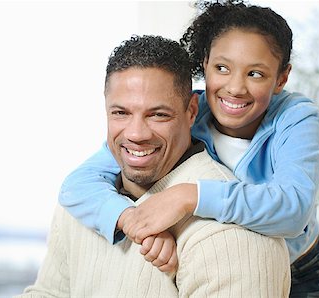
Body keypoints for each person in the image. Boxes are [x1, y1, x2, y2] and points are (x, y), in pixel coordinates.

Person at [58, 1, 319, 297]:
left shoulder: (296, 117)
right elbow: (78, 184)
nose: (236, 87)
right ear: (204, 64)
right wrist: (129, 218)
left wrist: (189, 196)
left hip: (300, 269)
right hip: (227, 262)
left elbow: (293, 209)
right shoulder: (184, 113)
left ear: (281, 78)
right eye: (222, 68)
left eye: (255, 74)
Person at [16, 35, 290, 297]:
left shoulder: (231, 238)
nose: (136, 133)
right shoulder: (80, 204)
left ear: (192, 111)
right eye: (120, 113)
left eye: (158, 115)